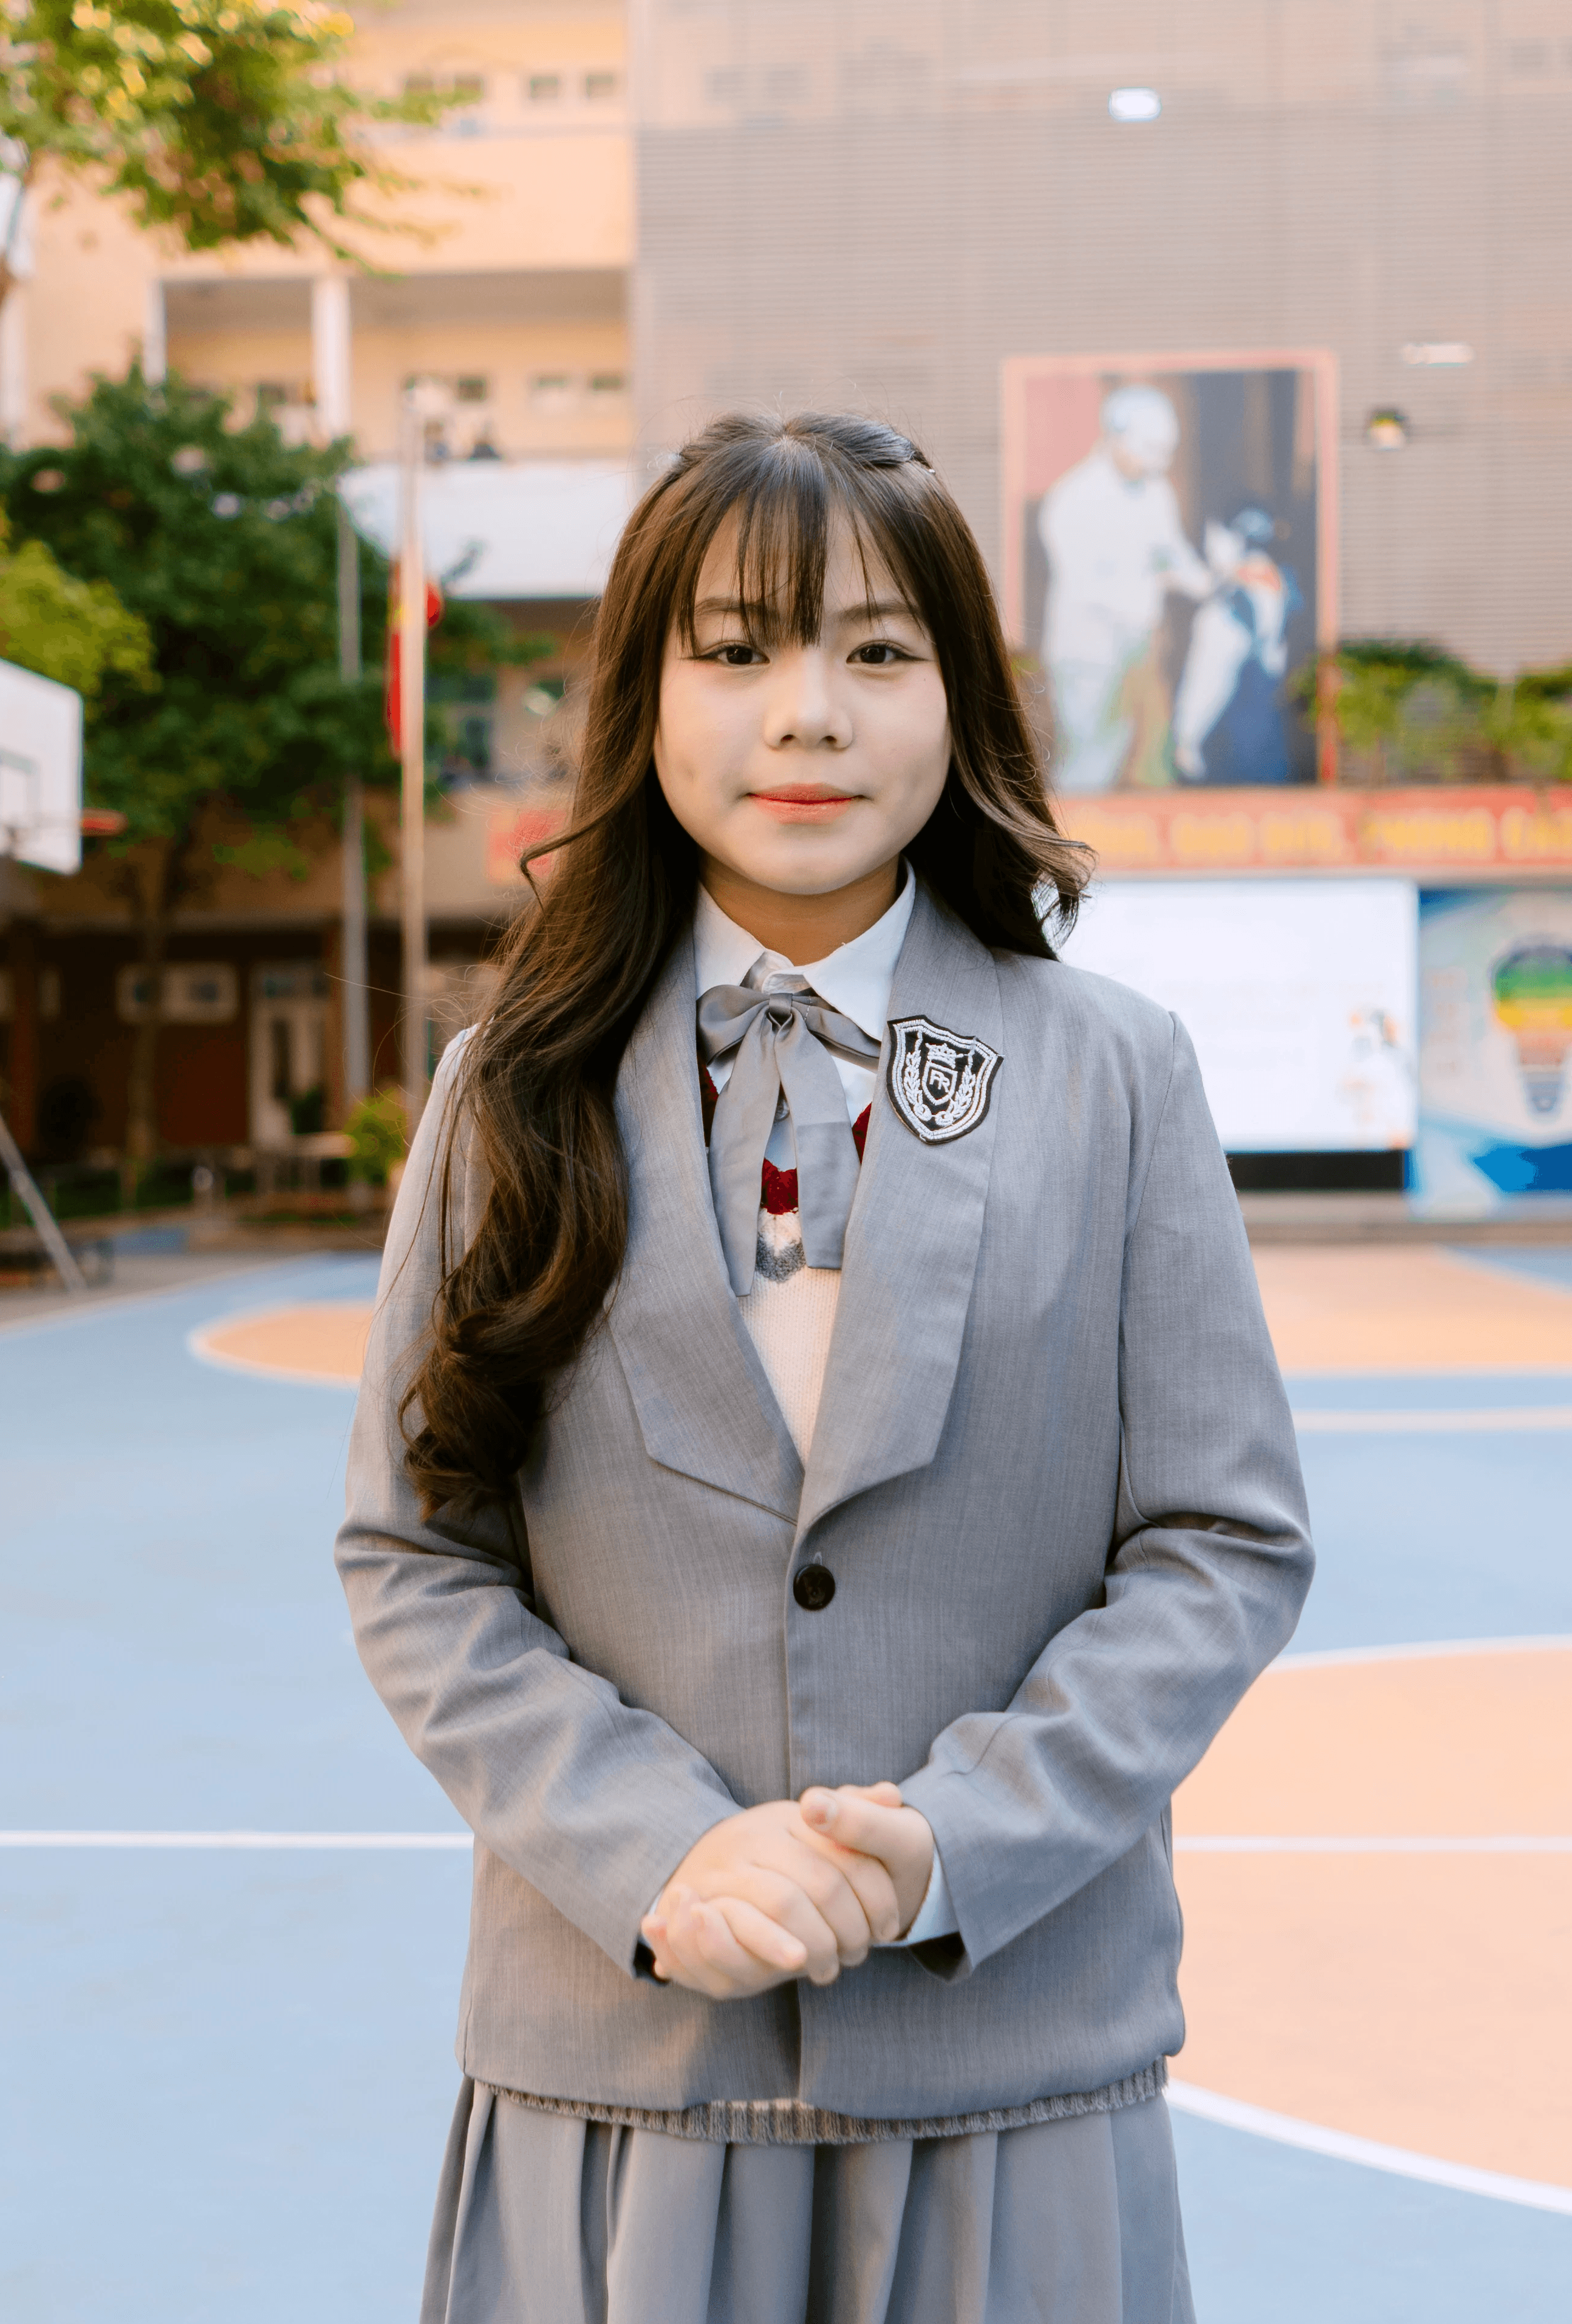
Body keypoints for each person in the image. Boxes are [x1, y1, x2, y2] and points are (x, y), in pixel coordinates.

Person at [338, 411, 1313, 2323]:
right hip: (620, 2069)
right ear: (643, 694)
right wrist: (666, 1853)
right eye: (735, 649)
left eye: (878, 651)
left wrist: (948, 1844)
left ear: (959, 700)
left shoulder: (1114, 1073)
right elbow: (418, 1557)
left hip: (1008, 2059)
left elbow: (1218, 1544)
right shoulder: (505, 1091)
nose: (809, 714)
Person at [1038, 384, 1213, 793]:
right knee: (1088, 752)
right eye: (1149, 449)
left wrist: (1206, 581)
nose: (1158, 461)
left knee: (1122, 746)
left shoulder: (1155, 490)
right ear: (1116, 437)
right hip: (1087, 651)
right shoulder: (1074, 498)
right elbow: (1084, 581)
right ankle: (1073, 841)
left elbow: (1171, 551)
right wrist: (1150, 584)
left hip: (1134, 647)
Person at [1170, 509, 1300, 785]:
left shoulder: (1230, 603)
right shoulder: (1279, 580)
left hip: (1241, 722)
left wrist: (1186, 742)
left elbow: (1206, 684)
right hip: (1260, 723)